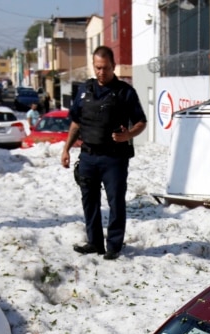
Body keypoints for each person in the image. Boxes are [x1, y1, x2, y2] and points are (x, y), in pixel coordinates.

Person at [61, 46, 147, 260]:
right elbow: (75, 123)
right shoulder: (84, 90)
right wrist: (66, 149)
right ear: (94, 66)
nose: (101, 72)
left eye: (105, 68)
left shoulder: (125, 92)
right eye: (98, 68)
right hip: (88, 156)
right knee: (89, 201)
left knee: (115, 202)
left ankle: (114, 245)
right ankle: (95, 242)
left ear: (113, 66)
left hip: (114, 159)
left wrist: (128, 135)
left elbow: (141, 122)